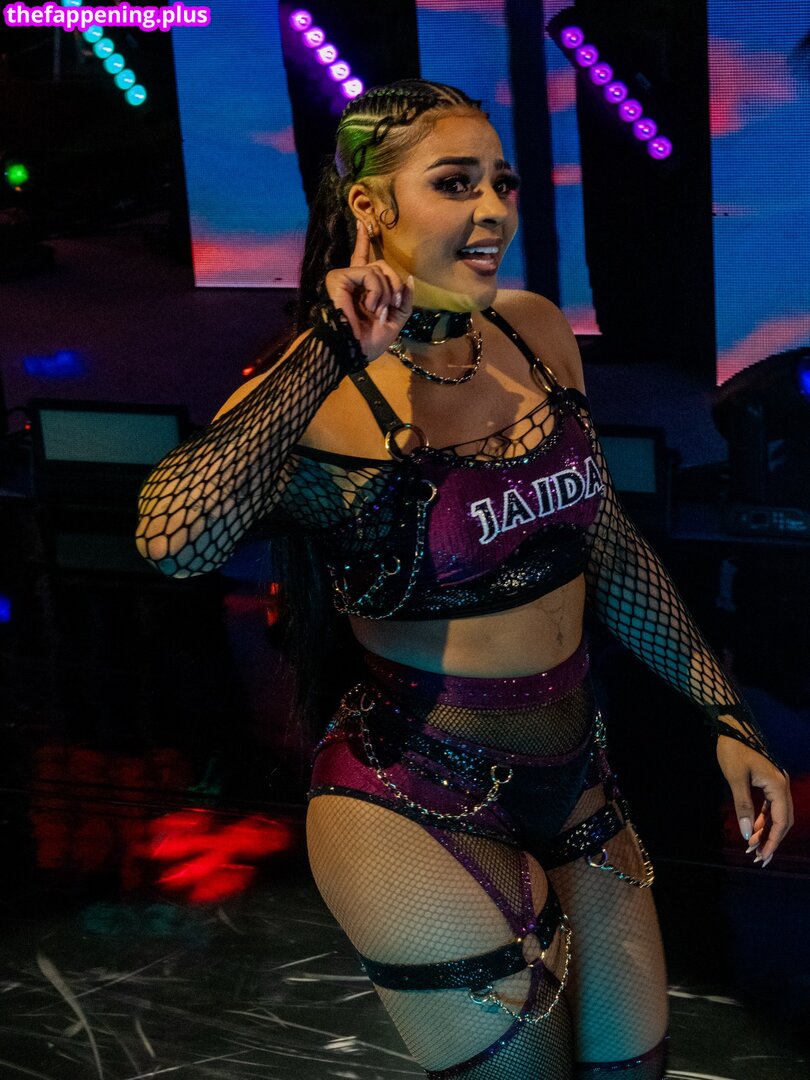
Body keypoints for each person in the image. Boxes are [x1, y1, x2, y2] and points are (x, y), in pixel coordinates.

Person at [136, 80, 793, 1078]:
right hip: (409, 796)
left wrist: (726, 715)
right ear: (371, 206)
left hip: (576, 778)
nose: (492, 211)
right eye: (455, 183)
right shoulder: (317, 390)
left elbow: (606, 541)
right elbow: (173, 542)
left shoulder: (535, 331)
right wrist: (327, 350)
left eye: (502, 182)